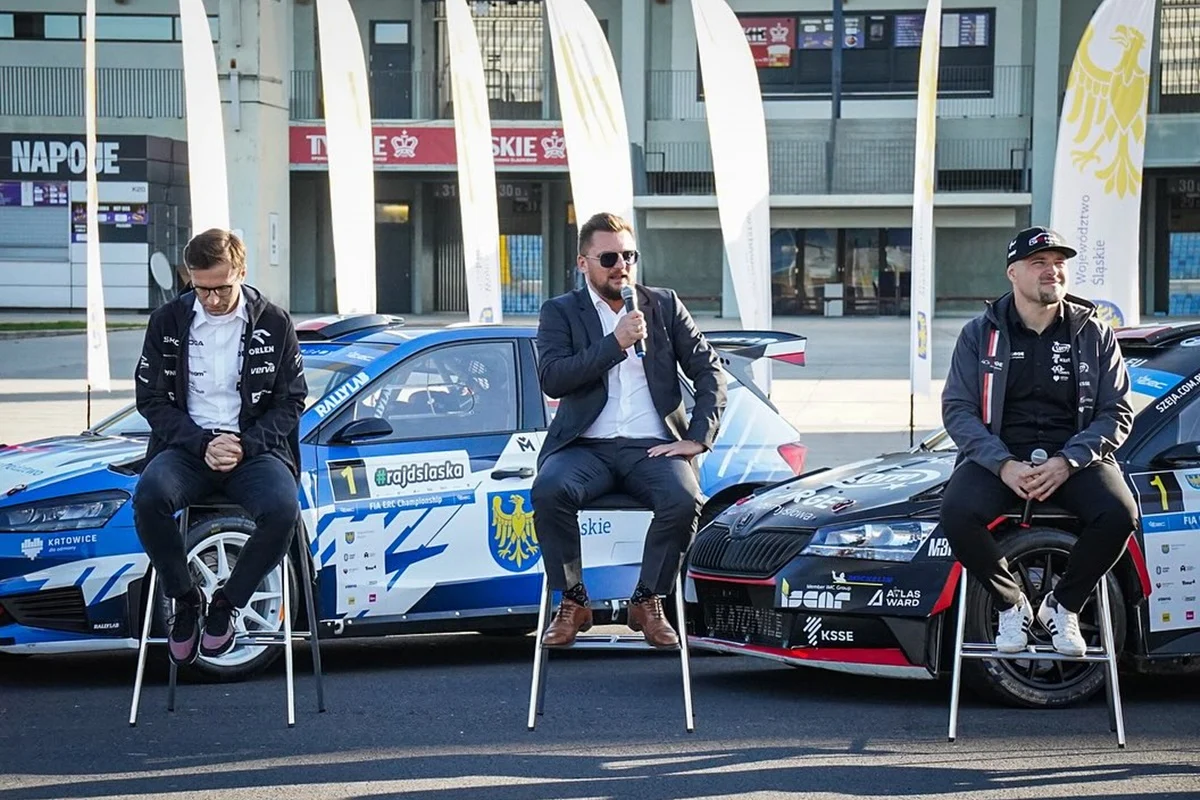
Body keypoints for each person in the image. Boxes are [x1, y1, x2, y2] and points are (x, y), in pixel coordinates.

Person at [940, 226, 1139, 657]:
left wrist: (1068, 462)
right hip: (1001, 457)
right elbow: (958, 410)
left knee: (1119, 513)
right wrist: (1002, 464)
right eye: (1039, 263)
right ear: (1013, 273)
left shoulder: (1094, 333)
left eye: (1059, 263)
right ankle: (1011, 604)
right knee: (956, 512)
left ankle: (1063, 606)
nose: (1053, 271)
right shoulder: (979, 334)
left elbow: (1117, 412)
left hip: (1075, 458)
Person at [531, 211, 727, 649]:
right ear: (583, 263)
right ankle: (573, 601)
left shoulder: (663, 305)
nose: (621, 266)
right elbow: (554, 378)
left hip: (651, 448)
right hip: (585, 447)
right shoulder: (560, 311)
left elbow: (709, 370)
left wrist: (698, 437)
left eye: (629, 256)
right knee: (548, 490)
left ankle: (647, 600)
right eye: (609, 258)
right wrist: (615, 343)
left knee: (684, 498)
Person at [132, 228, 308, 666]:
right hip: (188, 447)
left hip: (253, 450)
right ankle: (185, 599)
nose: (211, 299)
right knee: (148, 498)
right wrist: (201, 443)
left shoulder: (275, 322)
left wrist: (245, 445)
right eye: (201, 289)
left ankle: (227, 605)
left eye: (221, 289)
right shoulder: (167, 320)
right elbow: (149, 399)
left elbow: (292, 401)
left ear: (241, 273)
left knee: (283, 509)